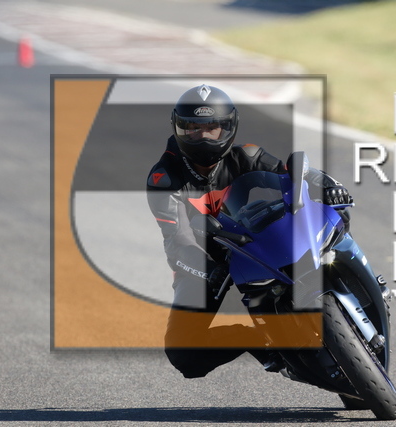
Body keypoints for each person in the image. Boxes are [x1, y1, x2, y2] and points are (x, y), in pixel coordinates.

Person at [146, 84, 352, 378]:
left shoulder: (246, 155)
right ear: (178, 128)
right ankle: (264, 339)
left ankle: (352, 279)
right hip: (205, 261)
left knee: (334, 215)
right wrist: (206, 268)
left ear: (228, 128)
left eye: (212, 129)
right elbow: (177, 239)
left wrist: (329, 185)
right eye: (193, 129)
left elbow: (296, 176)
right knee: (185, 355)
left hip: (252, 240)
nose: (203, 137)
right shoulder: (163, 178)